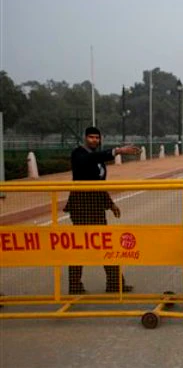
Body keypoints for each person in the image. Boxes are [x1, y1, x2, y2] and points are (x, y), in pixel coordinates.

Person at [63, 126, 140, 294]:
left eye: (97, 138)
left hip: (96, 207)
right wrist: (117, 151)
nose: (94, 141)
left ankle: (114, 283)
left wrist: (111, 204)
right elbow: (89, 160)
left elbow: (99, 185)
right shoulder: (78, 154)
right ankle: (74, 285)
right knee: (80, 247)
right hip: (81, 208)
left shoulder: (97, 159)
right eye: (91, 137)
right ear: (85, 138)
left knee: (106, 245)